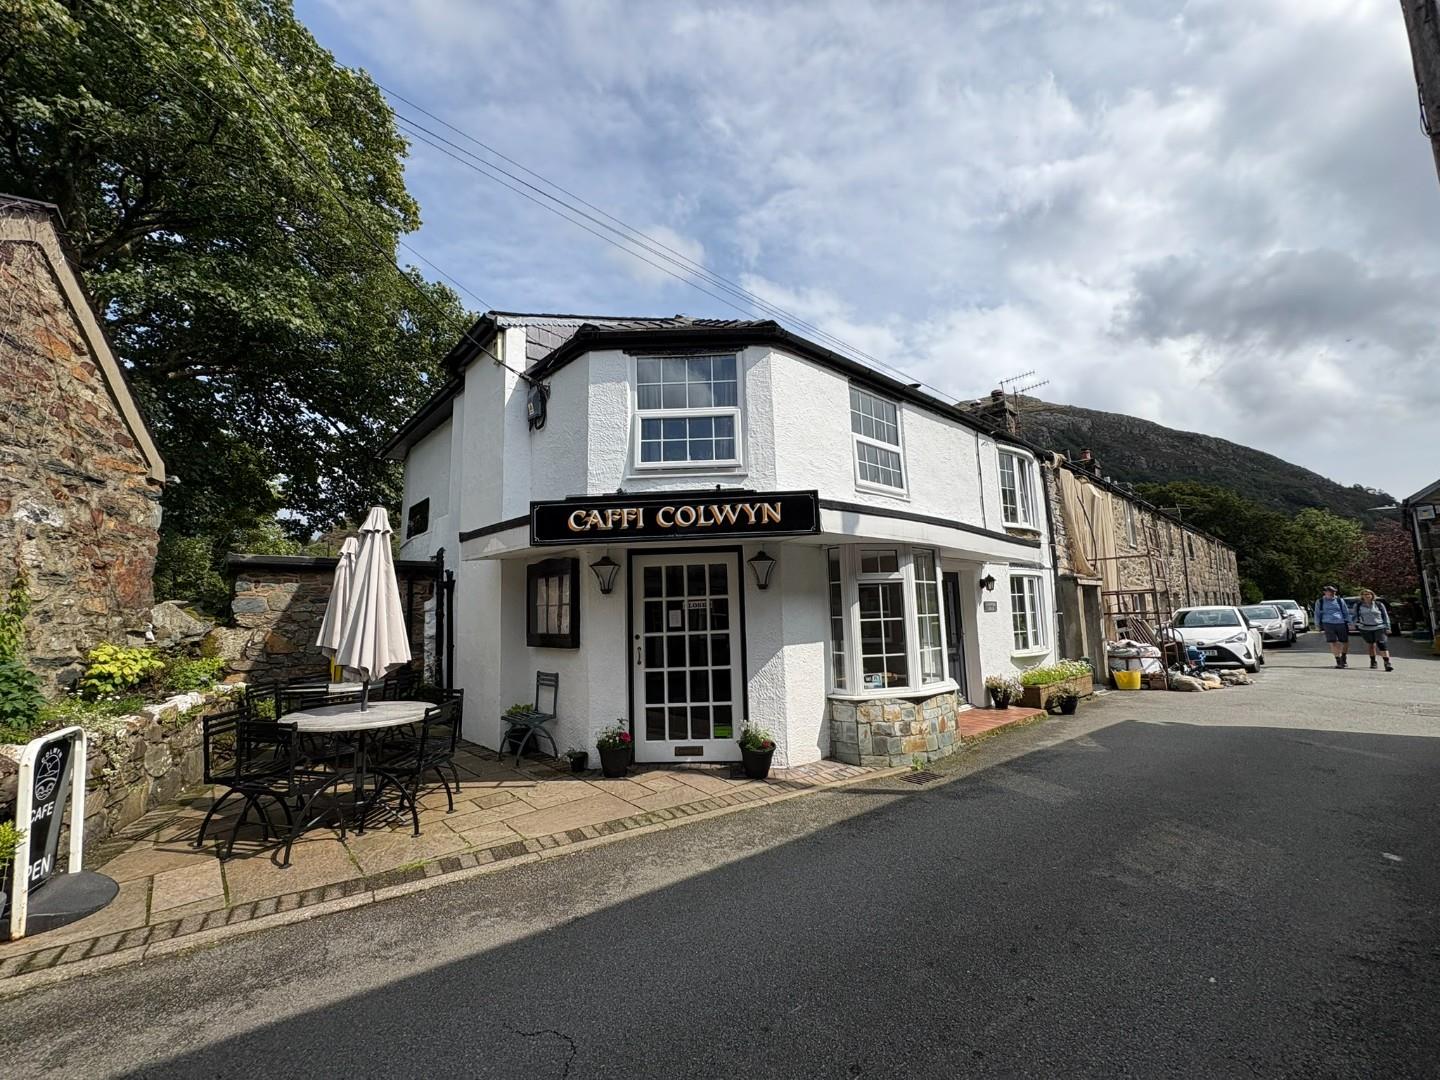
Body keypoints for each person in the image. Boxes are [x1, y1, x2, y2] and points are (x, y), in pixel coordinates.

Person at [1353, 588, 1394, 671]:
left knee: (1382, 644)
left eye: (1369, 594)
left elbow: (1385, 616)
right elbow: (1355, 616)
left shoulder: (1379, 604)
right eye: (1365, 594)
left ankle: (1387, 663)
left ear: (1372, 595)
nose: (1367, 596)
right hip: (1365, 627)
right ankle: (1373, 661)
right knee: (1371, 644)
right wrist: (1357, 624)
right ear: (1362, 596)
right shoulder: (1358, 605)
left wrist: (1388, 627)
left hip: (1379, 627)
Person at [1313, 585, 1352, 668]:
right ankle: (1338, 660)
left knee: (1345, 642)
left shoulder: (1339, 600)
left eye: (1333, 591)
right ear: (1325, 592)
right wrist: (1317, 625)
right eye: (1330, 591)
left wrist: (1350, 622)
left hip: (1341, 622)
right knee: (1333, 642)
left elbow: (1346, 612)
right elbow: (1317, 614)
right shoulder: (1320, 601)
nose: (1332, 593)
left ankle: (1344, 657)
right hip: (1327, 623)